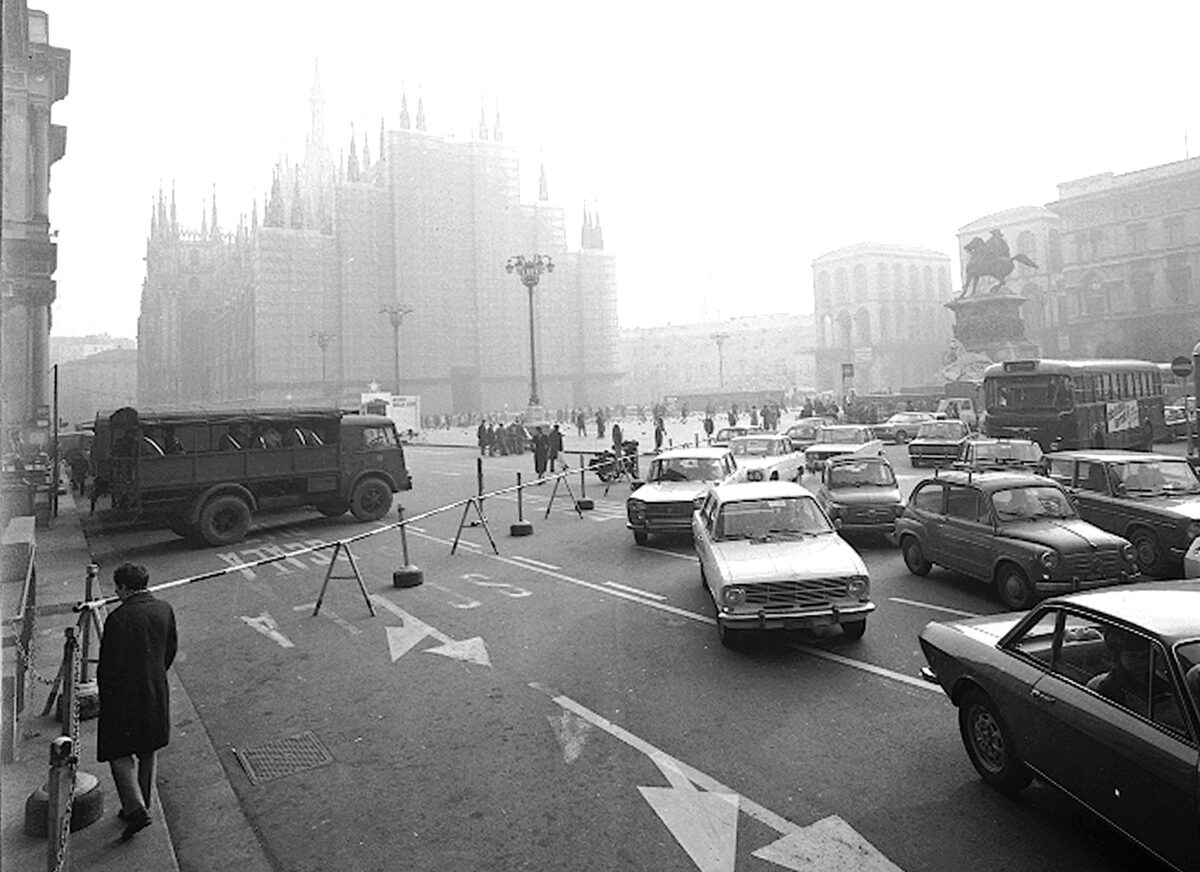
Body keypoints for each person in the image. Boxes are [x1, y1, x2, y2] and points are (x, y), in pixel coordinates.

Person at [97, 563, 178, 842]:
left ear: (123, 588)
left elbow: (108, 665)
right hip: (155, 688)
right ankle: (144, 802)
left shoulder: (118, 618)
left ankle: (134, 808)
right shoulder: (164, 608)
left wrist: (105, 692)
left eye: (116, 588)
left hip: (123, 694)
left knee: (119, 752)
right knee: (148, 749)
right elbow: (170, 650)